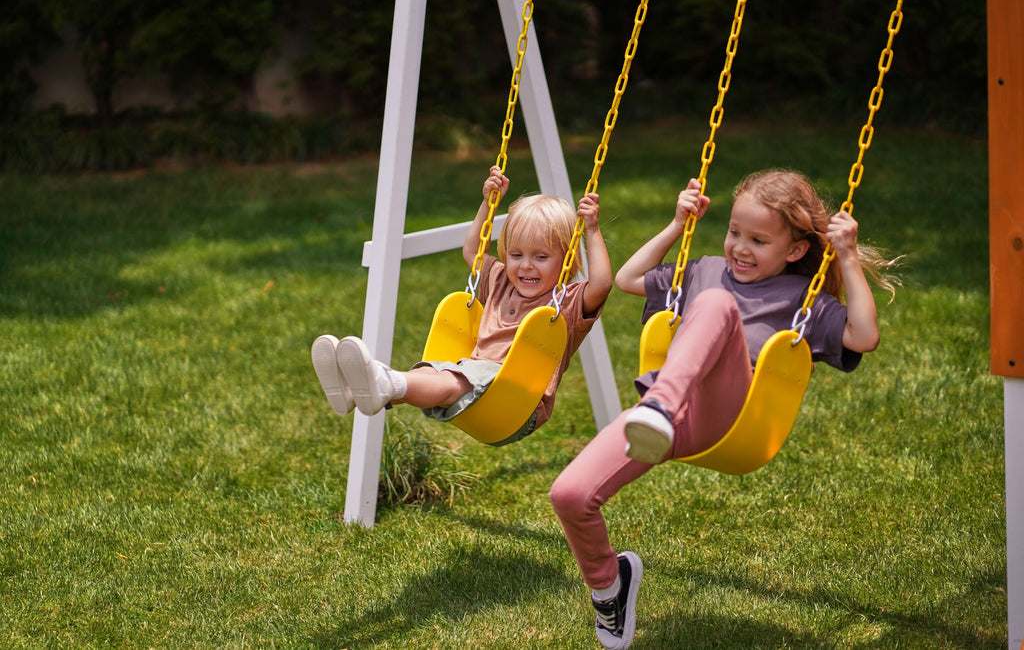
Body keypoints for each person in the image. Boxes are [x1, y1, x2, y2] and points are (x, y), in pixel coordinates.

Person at [549, 169, 898, 649]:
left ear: (796, 250)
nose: (740, 248)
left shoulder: (800, 298)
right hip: (665, 415)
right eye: (735, 232)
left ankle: (662, 407)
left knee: (715, 305)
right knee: (569, 494)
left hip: (731, 416)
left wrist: (849, 257)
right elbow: (628, 279)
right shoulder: (705, 269)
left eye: (759, 240)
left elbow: (864, 336)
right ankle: (611, 587)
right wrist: (677, 225)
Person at [311, 165, 613, 445]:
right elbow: (472, 250)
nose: (526, 266)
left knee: (450, 381)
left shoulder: (566, 302)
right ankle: (358, 389)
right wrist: (488, 204)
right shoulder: (500, 280)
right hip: (472, 375)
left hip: (516, 403)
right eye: (516, 255)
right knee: (434, 374)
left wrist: (592, 229)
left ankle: (384, 380)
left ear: (567, 258)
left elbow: (601, 285)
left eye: (541, 257)